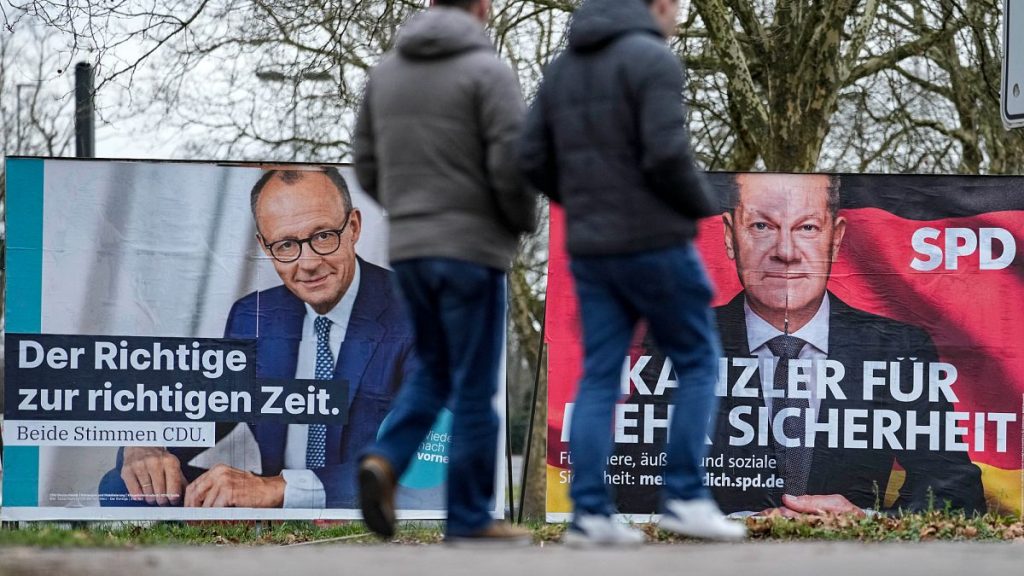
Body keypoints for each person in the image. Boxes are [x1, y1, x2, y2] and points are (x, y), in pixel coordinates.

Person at [520, 0, 746, 547]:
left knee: (601, 375)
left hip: (592, 246)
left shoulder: (562, 68)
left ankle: (589, 516)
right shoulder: (653, 58)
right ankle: (685, 498)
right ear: (657, 5)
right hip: (654, 238)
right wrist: (703, 207)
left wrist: (582, 199)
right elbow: (667, 155)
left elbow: (529, 155)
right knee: (696, 362)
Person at [99, 167, 417, 509]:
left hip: (366, 504)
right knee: (125, 484)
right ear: (264, 247)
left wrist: (279, 489)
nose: (308, 262)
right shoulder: (254, 316)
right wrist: (149, 444)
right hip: (274, 511)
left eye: (323, 236)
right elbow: (206, 407)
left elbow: (425, 459)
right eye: (286, 244)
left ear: (353, 227)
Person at [352, 0, 537, 545]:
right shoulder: (488, 70)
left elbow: (365, 162)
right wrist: (518, 222)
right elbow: (513, 163)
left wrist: (411, 212)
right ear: (481, 7)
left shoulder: (385, 75)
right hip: (472, 249)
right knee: (475, 386)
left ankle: (385, 459)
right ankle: (470, 519)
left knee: (432, 370)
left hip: (411, 251)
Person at [706, 172, 986, 515]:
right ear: (730, 235)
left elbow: (958, 495)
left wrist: (866, 525)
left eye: (807, 227)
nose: (786, 252)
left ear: (835, 239)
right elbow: (636, 487)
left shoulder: (897, 349)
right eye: (762, 227)